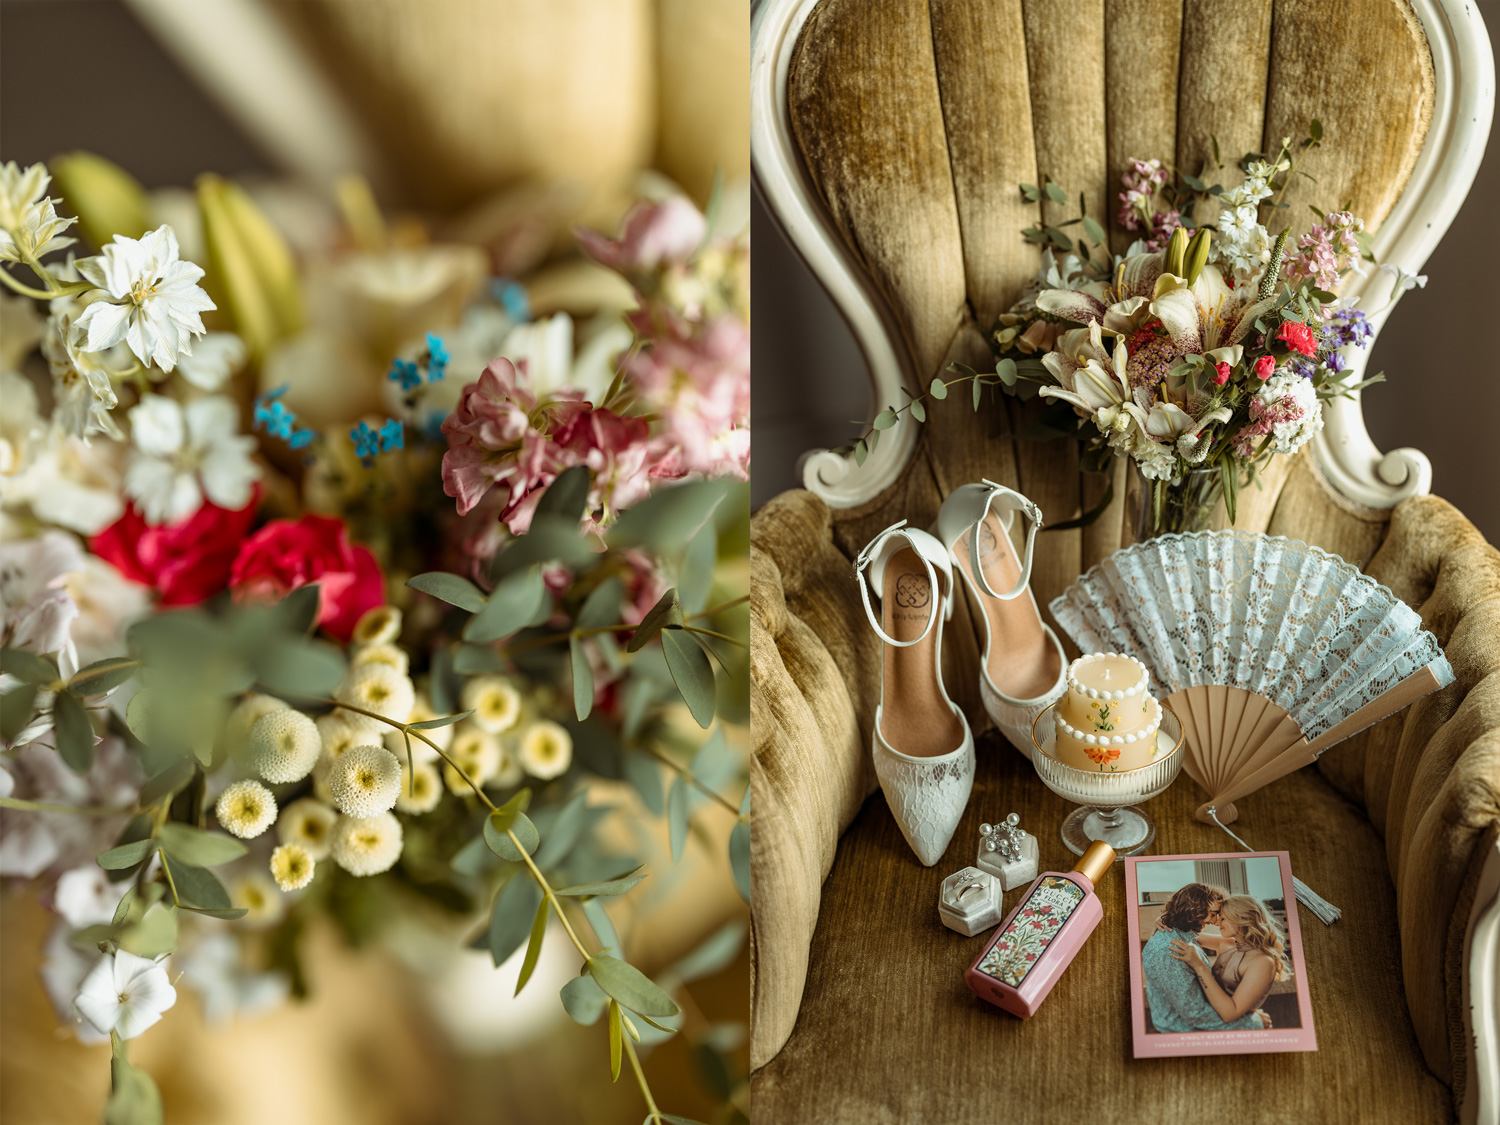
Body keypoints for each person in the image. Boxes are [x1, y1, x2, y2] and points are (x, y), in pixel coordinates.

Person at [1140, 883, 1265, 1032]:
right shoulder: (1171, 950)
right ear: (1194, 909)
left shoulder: (1184, 938)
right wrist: (1252, 1022)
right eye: (1213, 914)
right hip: (1184, 1033)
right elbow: (1195, 1014)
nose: (1215, 921)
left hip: (1203, 1023)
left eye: (1221, 916)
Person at [1168, 894, 1291, 1028]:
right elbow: (1181, 935)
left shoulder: (1263, 962)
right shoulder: (1227, 944)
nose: (1217, 923)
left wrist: (1199, 966)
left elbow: (1230, 1014)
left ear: (1242, 918)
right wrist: (1162, 920)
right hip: (1210, 1022)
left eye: (1223, 918)